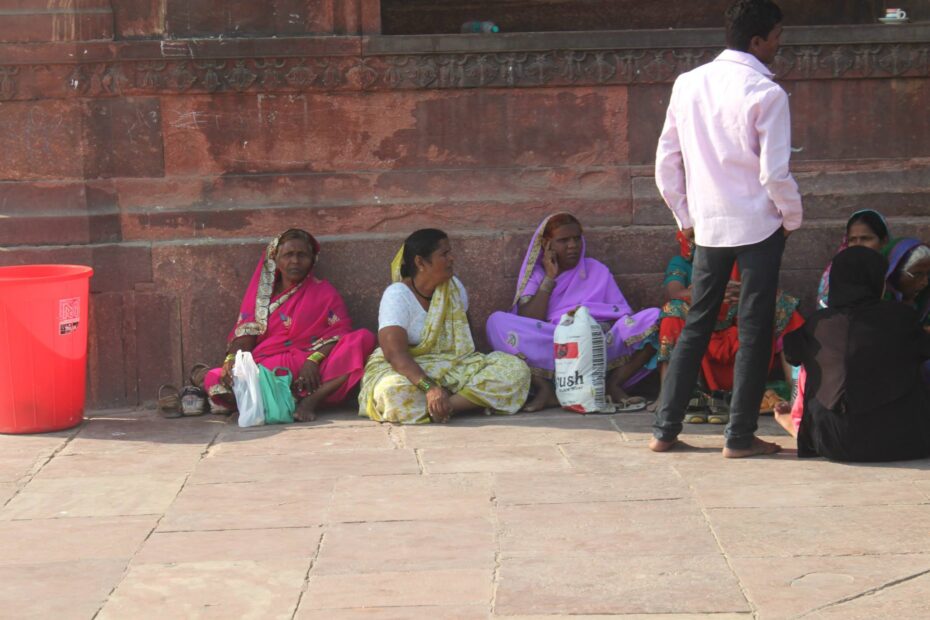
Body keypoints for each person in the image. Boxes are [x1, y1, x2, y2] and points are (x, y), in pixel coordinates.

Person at [652, 0, 802, 458]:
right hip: (758, 225)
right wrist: (792, 218)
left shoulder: (688, 83)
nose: (779, 45)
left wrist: (688, 218)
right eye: (777, 36)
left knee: (696, 324)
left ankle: (664, 430)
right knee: (755, 329)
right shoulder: (767, 94)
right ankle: (738, 437)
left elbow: (665, 163)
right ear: (757, 41)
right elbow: (775, 174)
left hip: (709, 226)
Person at [486, 213, 660, 412]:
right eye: (563, 240)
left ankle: (614, 385)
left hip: (599, 342)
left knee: (654, 317)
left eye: (577, 238)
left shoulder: (597, 269)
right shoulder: (537, 275)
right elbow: (528, 319)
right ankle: (544, 389)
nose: (572, 245)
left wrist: (593, 329)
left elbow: (622, 315)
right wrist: (549, 278)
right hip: (556, 343)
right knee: (496, 322)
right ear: (546, 244)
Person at [359, 229, 531, 424]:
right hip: (410, 369)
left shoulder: (454, 287)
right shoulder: (397, 295)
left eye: (450, 252)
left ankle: (447, 406)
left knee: (516, 369)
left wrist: (475, 371)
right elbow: (395, 355)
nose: (452, 259)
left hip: (455, 365)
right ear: (420, 262)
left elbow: (467, 341)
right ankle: (467, 400)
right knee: (392, 392)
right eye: (444, 254)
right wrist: (430, 387)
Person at [775, 246, 930, 462]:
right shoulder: (902, 317)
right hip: (902, 441)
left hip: (829, 442)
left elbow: (791, 353)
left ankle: (798, 422)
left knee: (808, 360)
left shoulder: (818, 323)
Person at [204, 229, 376, 422]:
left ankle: (310, 401)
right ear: (275, 259)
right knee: (214, 377)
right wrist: (230, 359)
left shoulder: (324, 292)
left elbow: (340, 334)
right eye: (288, 255)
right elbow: (245, 337)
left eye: (302, 255)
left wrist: (313, 360)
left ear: (313, 259)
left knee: (363, 338)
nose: (295, 261)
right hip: (266, 367)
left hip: (312, 369)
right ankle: (278, 398)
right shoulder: (261, 297)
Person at [658, 231, 803, 423]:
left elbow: (762, 289)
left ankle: (795, 392)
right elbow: (675, 292)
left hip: (741, 326)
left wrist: (746, 293)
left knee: (784, 306)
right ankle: (666, 395)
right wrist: (708, 293)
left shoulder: (743, 257)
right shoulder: (682, 263)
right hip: (703, 330)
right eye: (693, 235)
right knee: (672, 311)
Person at [783, 210, 892, 432]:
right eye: (853, 239)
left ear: (883, 241)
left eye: (866, 238)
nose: (858, 244)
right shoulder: (839, 271)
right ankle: (798, 417)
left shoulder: (897, 269)